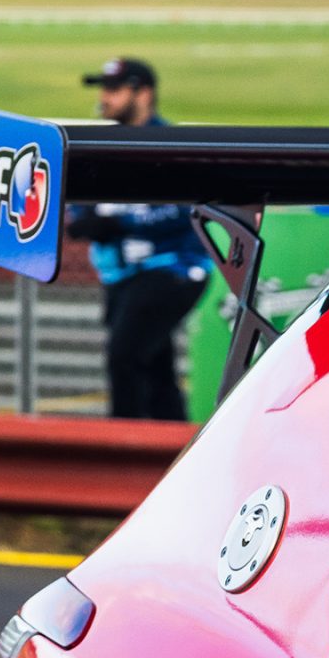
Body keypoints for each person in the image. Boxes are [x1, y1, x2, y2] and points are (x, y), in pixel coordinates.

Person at [64, 57, 210, 421]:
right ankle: (171, 442)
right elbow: (81, 206)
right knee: (155, 370)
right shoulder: (99, 147)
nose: (105, 97)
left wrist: (119, 223)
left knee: (124, 358)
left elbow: (184, 211)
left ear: (144, 94)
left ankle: (122, 446)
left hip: (172, 269)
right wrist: (84, 220)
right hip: (122, 276)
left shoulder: (171, 146)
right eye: (104, 89)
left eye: (114, 89)